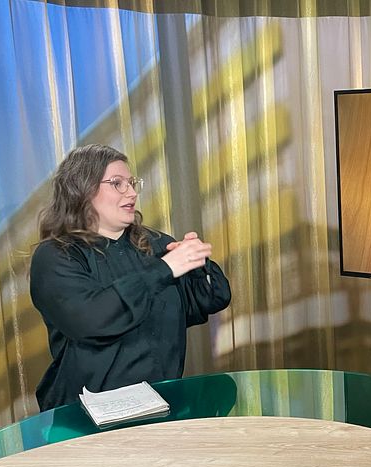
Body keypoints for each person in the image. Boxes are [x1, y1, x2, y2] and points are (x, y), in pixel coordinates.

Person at [30, 144, 231, 411]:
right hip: (84, 420)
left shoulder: (157, 243)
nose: (132, 192)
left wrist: (196, 261)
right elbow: (91, 320)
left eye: (132, 183)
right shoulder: (55, 255)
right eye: (117, 183)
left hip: (160, 408)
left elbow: (210, 300)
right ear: (82, 190)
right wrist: (164, 269)